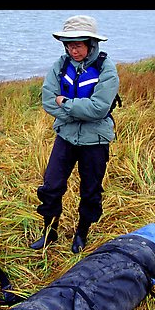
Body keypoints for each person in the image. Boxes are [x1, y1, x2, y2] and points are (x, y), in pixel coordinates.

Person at [30, 15, 120, 253]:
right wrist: (78, 110)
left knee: (91, 190)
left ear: (91, 43)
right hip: (66, 137)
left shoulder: (107, 69)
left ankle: (81, 234)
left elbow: (99, 108)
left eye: (78, 44)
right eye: (69, 44)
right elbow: (49, 100)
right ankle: (50, 232)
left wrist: (66, 105)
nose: (73, 49)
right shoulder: (60, 65)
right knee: (51, 186)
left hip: (95, 141)